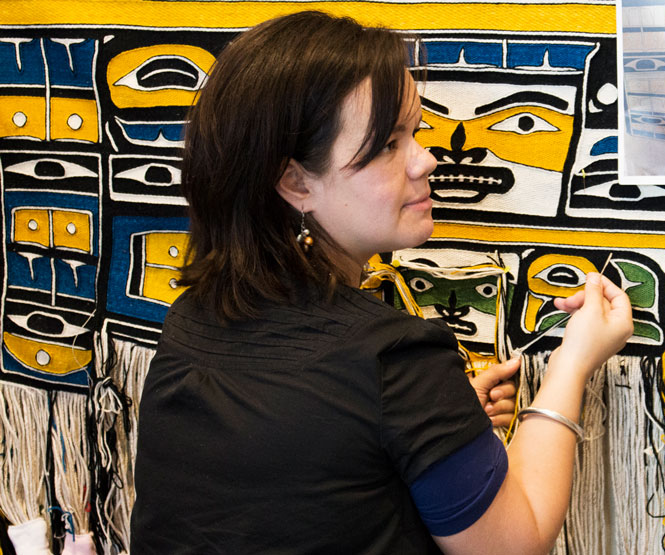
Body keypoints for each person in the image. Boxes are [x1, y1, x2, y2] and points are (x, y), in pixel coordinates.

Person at [129, 10, 634, 555]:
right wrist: (572, 366)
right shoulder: (392, 359)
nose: (427, 160)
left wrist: (428, 425)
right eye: (390, 144)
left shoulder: (191, 319)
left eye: (413, 133)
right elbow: (514, 543)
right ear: (295, 181)